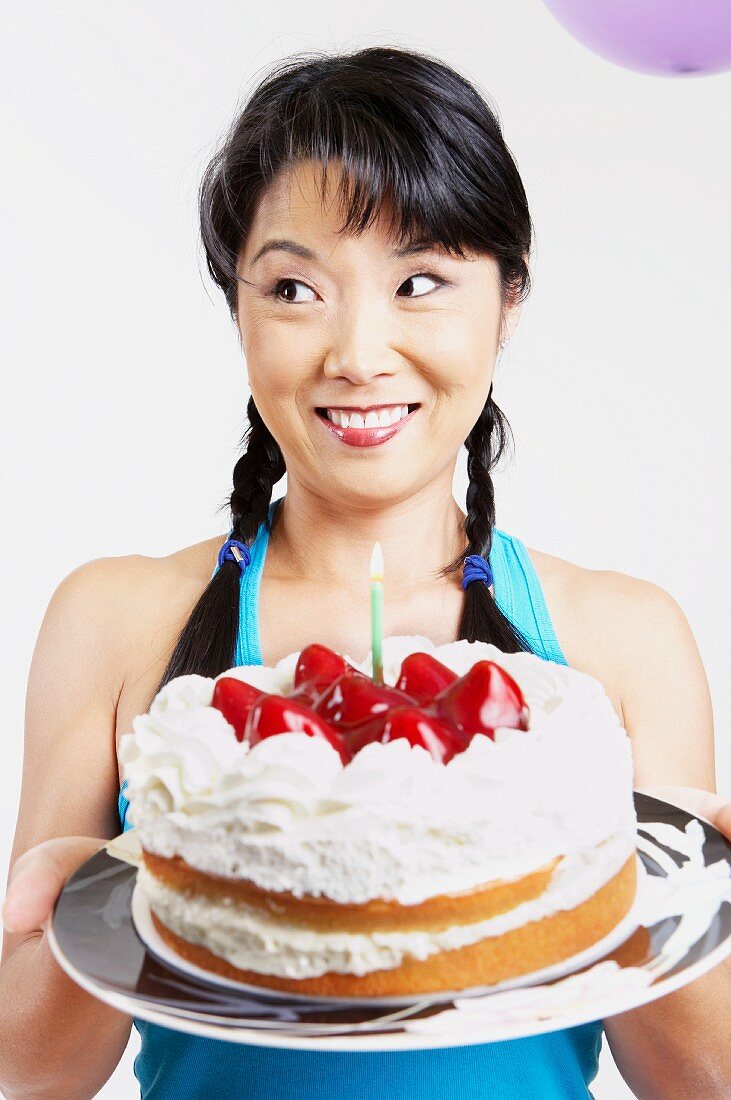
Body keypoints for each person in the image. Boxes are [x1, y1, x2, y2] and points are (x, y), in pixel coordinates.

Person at [1, 44, 729, 1100]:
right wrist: (87, 886)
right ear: (237, 306)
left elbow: (697, 1078)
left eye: (419, 280)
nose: (357, 350)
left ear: (508, 297)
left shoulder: (619, 636)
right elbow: (30, 1070)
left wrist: (660, 879)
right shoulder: (115, 619)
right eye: (294, 286)